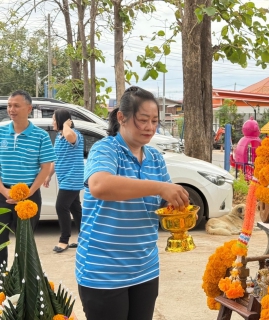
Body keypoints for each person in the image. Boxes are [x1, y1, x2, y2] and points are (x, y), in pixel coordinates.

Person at [75, 86, 189, 320]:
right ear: (122, 118)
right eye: (143, 120)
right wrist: (159, 187)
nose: (149, 127)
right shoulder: (106, 149)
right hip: (103, 271)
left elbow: (164, 204)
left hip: (145, 268)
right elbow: (100, 185)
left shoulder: (155, 158)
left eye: (155, 121)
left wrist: (177, 212)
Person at [0, 90, 56, 264]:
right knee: (0, 243)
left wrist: (29, 192)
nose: (11, 109)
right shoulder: (1, 133)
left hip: (29, 197)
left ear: (29, 108)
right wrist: (4, 191)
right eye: (9, 105)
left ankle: (22, 284)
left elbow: (46, 168)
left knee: (25, 244)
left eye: (16, 105)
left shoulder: (41, 136)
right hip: (2, 195)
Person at [43, 109, 84, 253]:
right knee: (76, 209)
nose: (52, 122)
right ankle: (85, 239)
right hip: (65, 179)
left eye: (54, 119)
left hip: (72, 179)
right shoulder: (59, 137)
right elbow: (56, 159)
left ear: (61, 121)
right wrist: (48, 175)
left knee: (61, 206)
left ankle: (64, 240)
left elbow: (70, 136)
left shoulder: (74, 134)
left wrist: (66, 125)